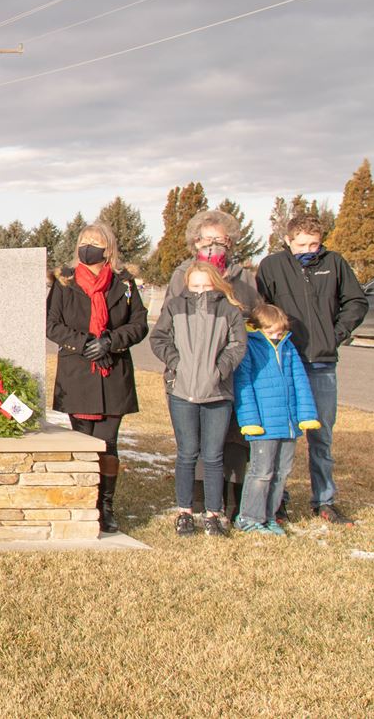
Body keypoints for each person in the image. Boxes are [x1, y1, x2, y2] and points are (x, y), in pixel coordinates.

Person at [256, 213, 370, 525]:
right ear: (288, 241)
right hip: (285, 363)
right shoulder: (272, 266)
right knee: (283, 434)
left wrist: (335, 335)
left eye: (314, 243)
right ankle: (277, 502)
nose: (308, 249)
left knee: (321, 437)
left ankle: (324, 500)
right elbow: (262, 310)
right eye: (301, 244)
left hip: (322, 365)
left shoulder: (334, 263)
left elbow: (356, 302)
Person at [47, 221, 150, 534]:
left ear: (109, 250)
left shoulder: (125, 284)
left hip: (112, 372)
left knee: (107, 443)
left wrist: (110, 341)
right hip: (79, 372)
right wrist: (84, 343)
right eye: (84, 241)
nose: (88, 246)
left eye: (95, 242)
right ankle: (83, 501)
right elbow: (52, 324)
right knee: (82, 440)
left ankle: (105, 505)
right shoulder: (64, 283)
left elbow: (139, 324)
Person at [165, 208, 261, 520]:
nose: (213, 246)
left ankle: (226, 502)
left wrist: (222, 366)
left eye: (220, 240)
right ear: (195, 243)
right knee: (191, 443)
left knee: (228, 439)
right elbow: (169, 326)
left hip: (227, 372)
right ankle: (192, 498)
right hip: (188, 376)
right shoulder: (182, 275)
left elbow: (253, 318)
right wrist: (180, 364)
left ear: (230, 242)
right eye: (207, 240)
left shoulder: (243, 276)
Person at [149, 261, 247, 537]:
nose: (201, 291)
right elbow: (158, 339)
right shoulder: (175, 307)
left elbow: (238, 344)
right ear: (187, 286)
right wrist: (177, 363)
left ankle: (213, 513)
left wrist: (220, 369)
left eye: (206, 285)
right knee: (187, 453)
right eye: (195, 286)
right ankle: (184, 511)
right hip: (181, 391)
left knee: (214, 455)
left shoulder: (229, 310)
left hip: (218, 393)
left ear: (216, 283)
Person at [233, 304, 320, 535]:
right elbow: (243, 385)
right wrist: (250, 420)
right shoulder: (250, 348)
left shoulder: (289, 348)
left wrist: (307, 415)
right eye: (271, 332)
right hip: (263, 426)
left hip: (288, 425)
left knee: (281, 472)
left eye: (280, 333)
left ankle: (269, 516)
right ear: (257, 328)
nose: (276, 337)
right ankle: (249, 517)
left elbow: (301, 383)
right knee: (261, 473)